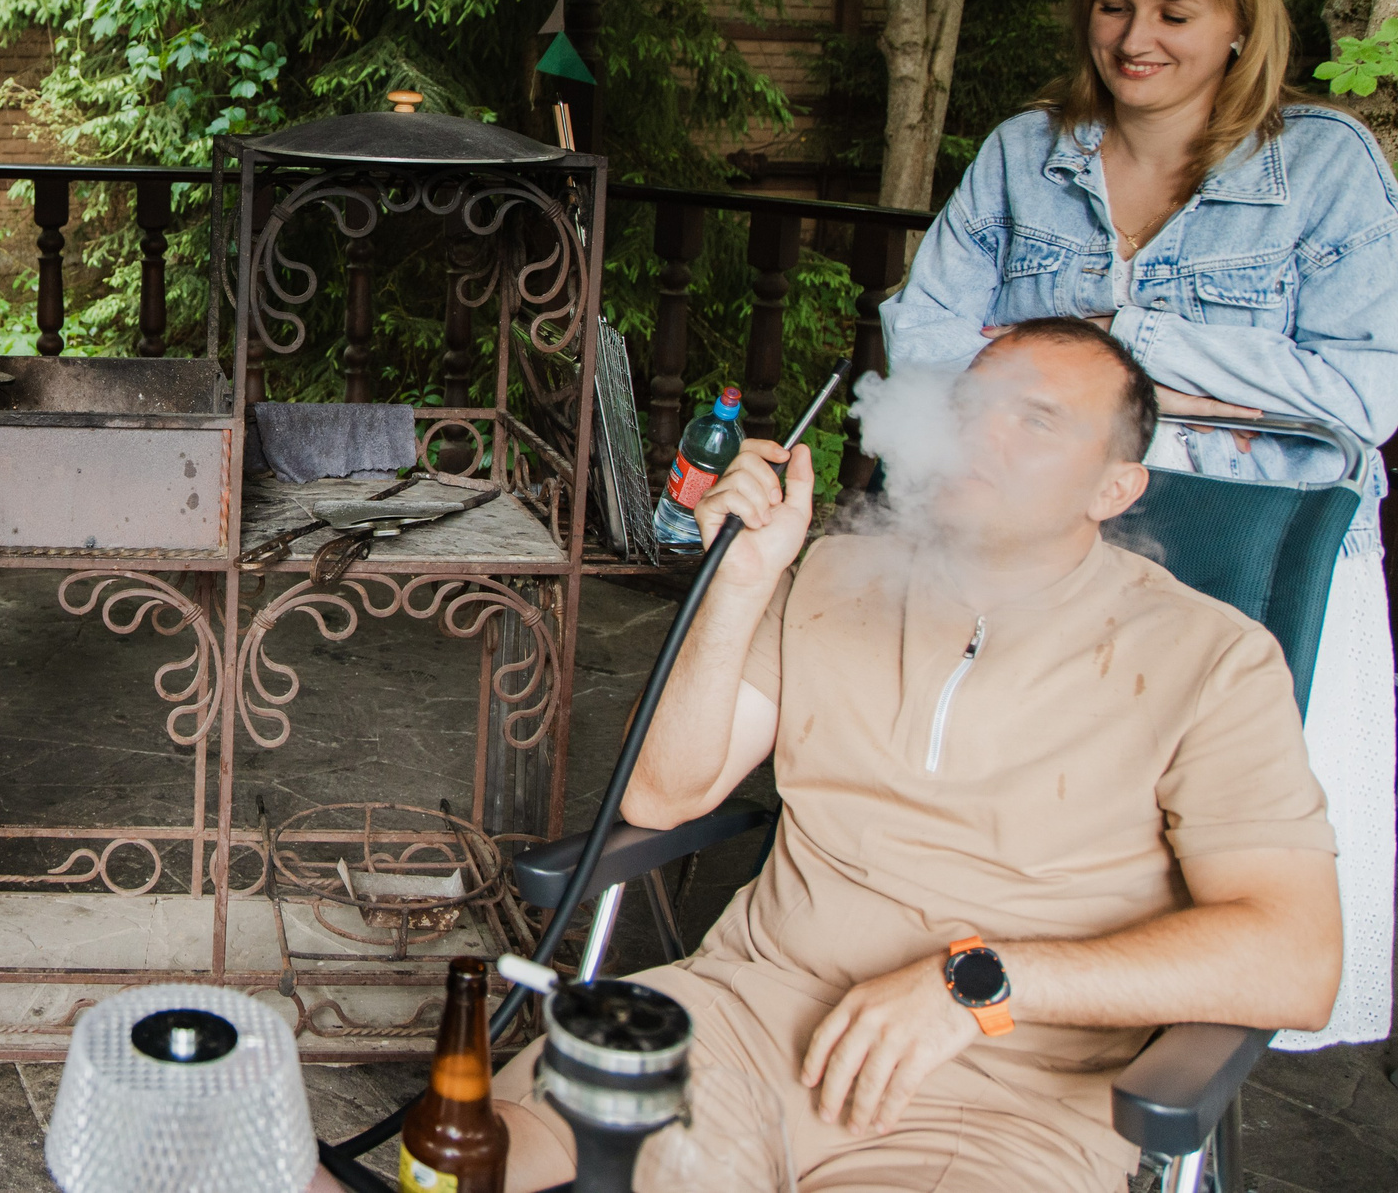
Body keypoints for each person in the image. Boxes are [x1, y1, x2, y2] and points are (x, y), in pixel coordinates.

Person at [484, 321, 1341, 1192]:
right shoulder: (831, 574)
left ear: (1114, 487)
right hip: (741, 1019)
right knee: (488, 1157)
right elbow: (662, 796)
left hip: (1007, 1097)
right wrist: (740, 585)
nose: (980, 432)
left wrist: (978, 984)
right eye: (970, 404)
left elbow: (1297, 957)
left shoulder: (1212, 658)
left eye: (1036, 420)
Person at [882, 0, 1398, 1051]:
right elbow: (923, 339)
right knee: (1008, 848)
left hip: (1254, 564)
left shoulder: (1326, 167)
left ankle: (1166, 1085)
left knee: (1208, 865)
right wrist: (1223, 386)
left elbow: (1368, 391)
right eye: (1114, 6)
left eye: (1174, 13)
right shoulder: (1025, 153)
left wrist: (1120, 348)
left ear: (1240, 24)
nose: (1133, 40)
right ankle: (993, 1021)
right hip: (1039, 552)